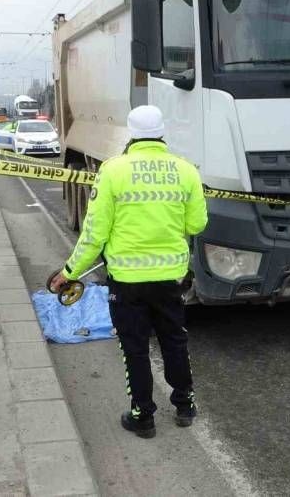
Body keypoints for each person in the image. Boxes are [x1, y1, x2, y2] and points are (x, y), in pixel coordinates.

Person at [50, 105, 208, 439]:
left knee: (134, 348)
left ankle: (143, 416)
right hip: (171, 279)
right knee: (175, 341)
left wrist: (69, 272)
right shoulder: (186, 170)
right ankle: (184, 405)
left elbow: (94, 235)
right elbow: (197, 223)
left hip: (127, 282)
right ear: (163, 132)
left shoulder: (112, 171)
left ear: (131, 134)